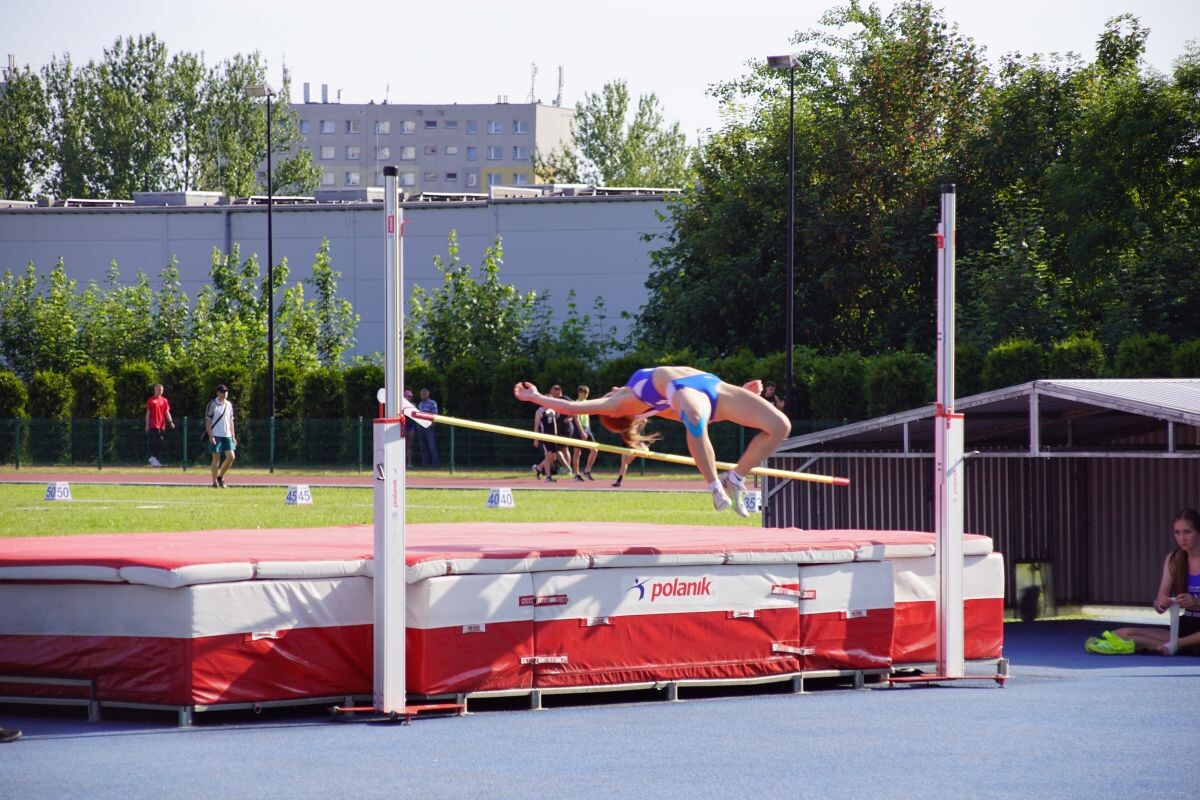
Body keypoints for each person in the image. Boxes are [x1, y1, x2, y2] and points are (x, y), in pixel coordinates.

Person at [515, 366, 790, 515]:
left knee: (780, 425)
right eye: (610, 395)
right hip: (691, 392)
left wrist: (742, 394)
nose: (610, 390)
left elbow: (705, 417)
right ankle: (715, 486)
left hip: (714, 388)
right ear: (622, 413)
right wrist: (537, 397)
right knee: (695, 418)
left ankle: (736, 479)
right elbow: (573, 408)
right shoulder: (623, 401)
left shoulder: (659, 407)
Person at [1086, 508, 1200, 656]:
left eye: (1187, 532)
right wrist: (1161, 603)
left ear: (1198, 532)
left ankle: (1177, 645)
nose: (1182, 538)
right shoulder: (1173, 559)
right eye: (1177, 532)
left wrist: (1197, 602)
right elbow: (1159, 604)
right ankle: (1178, 645)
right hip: (1186, 625)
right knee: (1122, 633)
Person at [204, 384, 236, 489]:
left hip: (227, 435)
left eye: (226, 391)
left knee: (231, 456)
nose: (225, 393)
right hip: (216, 434)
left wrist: (233, 436)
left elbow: (231, 421)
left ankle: (220, 477)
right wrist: (211, 436)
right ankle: (214, 482)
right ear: (218, 393)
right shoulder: (212, 404)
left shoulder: (229, 404)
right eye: (223, 391)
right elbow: (208, 420)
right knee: (216, 457)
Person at [611, 417, 650, 488]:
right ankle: (619, 481)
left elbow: (644, 420)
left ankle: (639, 450)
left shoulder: (633, 417)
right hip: (626, 440)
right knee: (625, 461)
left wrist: (638, 428)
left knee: (626, 461)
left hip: (632, 440)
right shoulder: (622, 418)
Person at [144, 383, 175, 467]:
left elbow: (167, 412)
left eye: (162, 390)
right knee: (157, 441)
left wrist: (171, 421)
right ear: (155, 389)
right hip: (153, 425)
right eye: (159, 390)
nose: (160, 391)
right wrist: (147, 424)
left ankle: (154, 458)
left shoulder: (164, 400)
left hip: (162, 425)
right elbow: (148, 414)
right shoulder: (151, 400)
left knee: (160, 441)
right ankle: (154, 458)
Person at [572, 384, 599, 481]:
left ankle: (587, 471)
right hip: (579, 429)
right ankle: (576, 474)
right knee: (577, 452)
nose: (586, 395)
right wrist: (581, 431)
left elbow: (598, 403)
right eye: (585, 393)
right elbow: (576, 418)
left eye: (587, 393)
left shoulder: (587, 403)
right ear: (580, 393)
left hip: (587, 428)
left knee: (594, 450)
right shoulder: (575, 404)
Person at [532, 396, 562, 482]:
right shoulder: (539, 411)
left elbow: (554, 423)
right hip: (544, 437)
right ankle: (548, 477)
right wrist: (536, 439)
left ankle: (539, 467)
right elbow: (536, 426)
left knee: (553, 457)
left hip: (552, 437)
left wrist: (556, 435)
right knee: (548, 455)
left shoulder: (552, 410)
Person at [416, 388, 440, 467]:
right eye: (421, 394)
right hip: (421, 428)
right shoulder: (420, 404)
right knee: (423, 447)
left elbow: (434, 415)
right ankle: (424, 464)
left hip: (429, 427)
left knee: (431, 446)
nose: (422, 395)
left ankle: (435, 464)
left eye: (424, 394)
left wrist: (431, 425)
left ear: (428, 394)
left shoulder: (432, 403)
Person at [403, 389, 416, 467]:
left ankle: (409, 463)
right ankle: (402, 463)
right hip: (403, 425)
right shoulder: (400, 404)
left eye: (410, 396)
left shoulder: (413, 404)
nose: (409, 397)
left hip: (411, 426)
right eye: (407, 396)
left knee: (409, 445)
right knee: (402, 445)